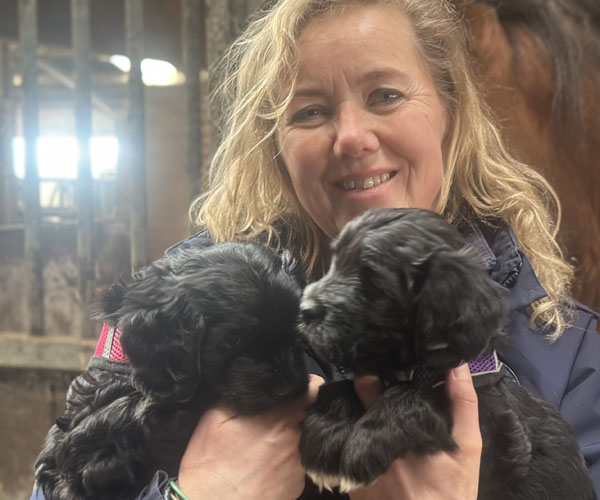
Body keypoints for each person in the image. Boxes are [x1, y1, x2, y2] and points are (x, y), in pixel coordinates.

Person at [31, 0, 600, 499]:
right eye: (310, 111)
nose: (350, 136)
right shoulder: (186, 299)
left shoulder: (569, 352)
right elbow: (65, 473)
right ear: (275, 145)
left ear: (449, 113)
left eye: (385, 95)